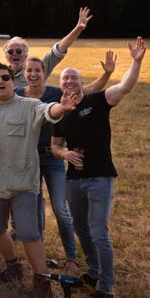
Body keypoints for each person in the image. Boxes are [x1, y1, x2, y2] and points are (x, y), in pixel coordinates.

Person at [0, 61, 79, 298]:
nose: (0, 81)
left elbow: (49, 111)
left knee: (29, 233)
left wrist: (62, 107)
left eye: (5, 77)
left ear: (13, 81)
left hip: (22, 181)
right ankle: (13, 267)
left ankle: (42, 283)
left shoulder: (30, 106)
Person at [51, 37, 147, 298]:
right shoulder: (60, 114)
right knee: (81, 229)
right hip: (74, 180)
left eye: (74, 79)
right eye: (65, 79)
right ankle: (93, 273)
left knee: (98, 232)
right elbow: (55, 146)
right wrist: (64, 154)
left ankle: (105, 290)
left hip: (100, 178)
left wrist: (136, 63)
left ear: (82, 83)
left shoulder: (98, 101)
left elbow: (125, 87)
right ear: (60, 85)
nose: (69, 82)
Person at [19, 53, 113, 270]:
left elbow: (87, 90)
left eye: (38, 71)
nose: (33, 74)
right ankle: (40, 256)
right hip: (29, 158)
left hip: (52, 158)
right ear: (24, 74)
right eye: (29, 71)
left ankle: (71, 257)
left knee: (61, 209)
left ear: (44, 73)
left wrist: (106, 74)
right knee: (36, 209)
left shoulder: (56, 92)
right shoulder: (18, 94)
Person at [0, 7, 94, 87]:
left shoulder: (39, 68)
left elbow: (58, 49)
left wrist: (78, 29)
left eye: (19, 51)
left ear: (26, 54)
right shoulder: (0, 75)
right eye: (10, 52)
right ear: (5, 55)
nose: (15, 54)